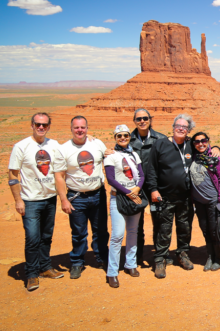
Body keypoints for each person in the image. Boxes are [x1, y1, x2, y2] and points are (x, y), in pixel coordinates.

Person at [8, 112, 67, 291]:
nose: (41, 127)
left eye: (45, 125)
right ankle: (32, 274)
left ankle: (45, 267)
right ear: (32, 125)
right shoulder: (21, 146)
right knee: (33, 238)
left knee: (46, 237)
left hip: (49, 198)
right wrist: (18, 200)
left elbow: (71, 154)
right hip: (30, 200)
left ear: (49, 126)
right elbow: (13, 174)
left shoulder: (54, 145)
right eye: (38, 124)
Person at [55, 116, 109, 280]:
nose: (80, 130)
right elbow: (59, 176)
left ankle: (101, 257)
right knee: (78, 232)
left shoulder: (97, 144)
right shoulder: (64, 149)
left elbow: (110, 160)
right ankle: (77, 262)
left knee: (101, 230)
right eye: (76, 127)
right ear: (71, 129)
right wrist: (63, 199)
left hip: (98, 194)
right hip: (76, 197)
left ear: (87, 128)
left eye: (83, 127)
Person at [145, 114, 197, 279]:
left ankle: (182, 253)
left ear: (189, 130)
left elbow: (207, 148)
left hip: (186, 197)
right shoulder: (160, 144)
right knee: (163, 229)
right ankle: (160, 259)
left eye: (185, 127)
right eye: (178, 125)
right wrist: (153, 189)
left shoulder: (191, 145)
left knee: (185, 227)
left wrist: (217, 147)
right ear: (173, 126)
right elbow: (151, 168)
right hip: (164, 196)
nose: (181, 129)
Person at [103, 125, 145, 288]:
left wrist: (137, 189)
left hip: (134, 196)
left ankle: (130, 264)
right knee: (117, 235)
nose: (122, 138)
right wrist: (129, 192)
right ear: (115, 137)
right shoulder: (111, 156)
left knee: (133, 231)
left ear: (129, 137)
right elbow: (111, 179)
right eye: (119, 135)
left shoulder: (134, 154)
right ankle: (112, 272)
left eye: (125, 135)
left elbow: (141, 175)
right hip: (118, 198)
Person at [129, 108, 167, 267]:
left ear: (150, 120)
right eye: (138, 119)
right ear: (134, 121)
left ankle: (160, 257)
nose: (142, 121)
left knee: (159, 221)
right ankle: (136, 257)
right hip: (136, 189)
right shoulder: (127, 140)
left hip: (156, 187)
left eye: (145, 118)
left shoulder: (161, 139)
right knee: (136, 224)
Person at [189, 131, 220, 272]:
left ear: (208, 141)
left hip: (213, 200)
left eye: (203, 140)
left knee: (214, 231)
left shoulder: (214, 157)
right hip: (199, 202)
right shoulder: (193, 157)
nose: (200, 143)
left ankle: (218, 258)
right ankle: (210, 256)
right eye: (197, 142)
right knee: (205, 230)